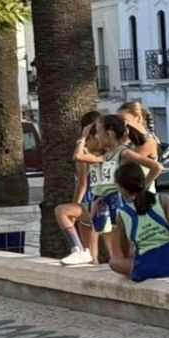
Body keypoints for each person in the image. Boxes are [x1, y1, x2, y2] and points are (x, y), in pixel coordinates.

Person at [54, 114, 117, 266]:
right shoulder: (112, 152)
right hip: (101, 204)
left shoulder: (93, 155)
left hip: (95, 204)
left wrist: (75, 206)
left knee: (104, 251)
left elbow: (82, 184)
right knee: (98, 252)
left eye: (92, 136)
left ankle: (78, 250)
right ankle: (82, 253)